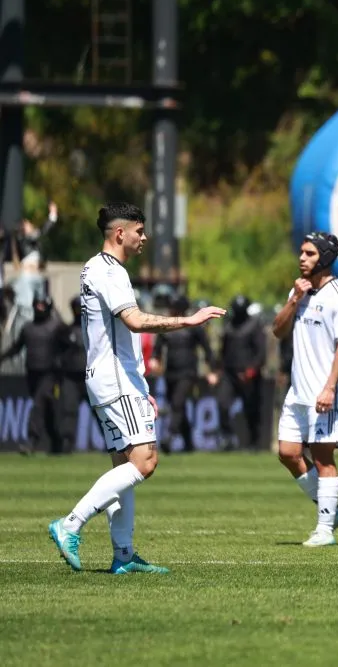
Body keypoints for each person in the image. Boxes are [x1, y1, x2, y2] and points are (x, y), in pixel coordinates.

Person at [47, 202, 224, 574]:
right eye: (139, 232)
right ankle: (70, 524)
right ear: (119, 234)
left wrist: (140, 384)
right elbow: (136, 321)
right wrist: (189, 320)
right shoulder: (108, 271)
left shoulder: (97, 269)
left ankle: (123, 556)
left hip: (114, 378)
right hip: (115, 380)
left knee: (124, 465)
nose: (144, 238)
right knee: (145, 462)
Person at [271, 231, 338, 547]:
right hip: (298, 393)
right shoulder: (300, 291)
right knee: (288, 453)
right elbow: (278, 330)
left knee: (323, 459)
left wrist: (330, 388)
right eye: (301, 252)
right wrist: (294, 300)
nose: (302, 258)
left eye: (309, 253)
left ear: (325, 258)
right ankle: (331, 513)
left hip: (324, 394)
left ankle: (325, 530)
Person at [148, 294, 217, 453]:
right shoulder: (167, 327)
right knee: (177, 406)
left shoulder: (194, 327)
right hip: (171, 372)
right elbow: (158, 348)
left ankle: (170, 437)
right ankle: (188, 443)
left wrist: (212, 371)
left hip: (188, 373)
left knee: (178, 403)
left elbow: (207, 350)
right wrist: (154, 359)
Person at [0, 294, 65, 454]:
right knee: (46, 409)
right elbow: (17, 347)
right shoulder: (28, 328)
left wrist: (62, 365)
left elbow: (68, 347)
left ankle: (31, 441)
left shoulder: (57, 327)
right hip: (32, 375)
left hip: (50, 375)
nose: (39, 309)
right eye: (37, 305)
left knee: (38, 406)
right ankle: (57, 442)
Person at [213, 294, 266, 449]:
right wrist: (218, 369)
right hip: (229, 373)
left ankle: (254, 442)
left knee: (251, 408)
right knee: (222, 403)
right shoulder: (229, 325)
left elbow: (261, 351)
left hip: (248, 374)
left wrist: (252, 369)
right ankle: (227, 438)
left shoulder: (254, 325)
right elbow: (223, 350)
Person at [57, 296, 89, 453]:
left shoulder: (95, 331)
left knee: (102, 412)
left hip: (91, 378)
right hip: (70, 378)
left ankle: (112, 445)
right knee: (69, 412)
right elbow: (57, 353)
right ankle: (67, 444)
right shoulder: (65, 331)